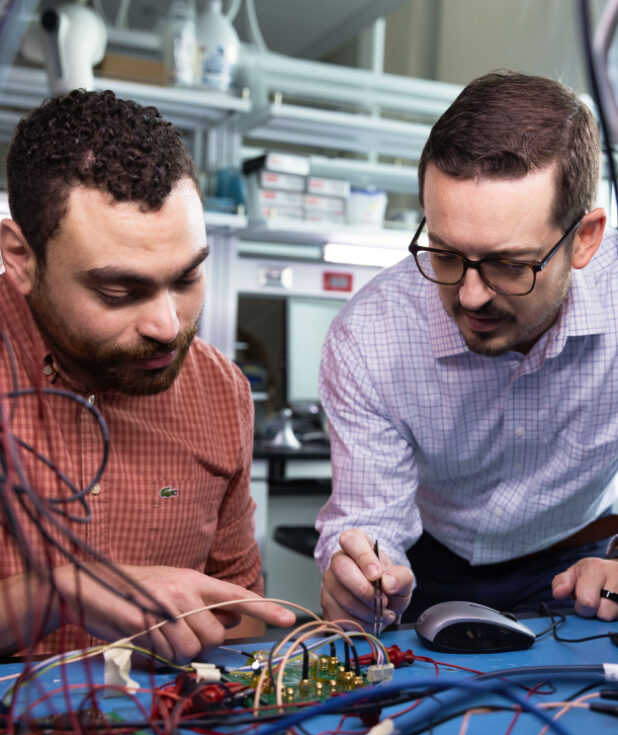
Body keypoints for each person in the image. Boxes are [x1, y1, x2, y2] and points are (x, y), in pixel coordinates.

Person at [315, 70, 618, 630]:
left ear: (584, 239)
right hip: (428, 567)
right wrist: (360, 572)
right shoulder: (370, 337)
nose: (471, 296)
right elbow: (368, 519)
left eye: (509, 263)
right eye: (446, 254)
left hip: (582, 565)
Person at [0, 88, 295, 661]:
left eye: (186, 279)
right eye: (119, 291)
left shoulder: (220, 391)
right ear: (20, 256)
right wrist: (59, 590)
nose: (167, 326)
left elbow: (241, 619)